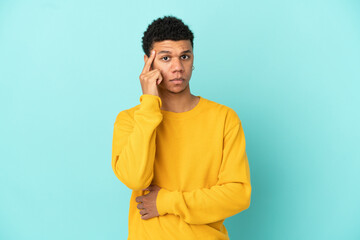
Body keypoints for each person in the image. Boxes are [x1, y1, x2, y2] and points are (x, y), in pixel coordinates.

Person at [111, 15, 251, 240]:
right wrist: (149, 105)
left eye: (184, 56)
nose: (177, 67)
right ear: (148, 63)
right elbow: (136, 179)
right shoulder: (130, 120)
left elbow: (238, 195)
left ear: (192, 59)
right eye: (166, 58)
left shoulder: (224, 118)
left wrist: (165, 201)